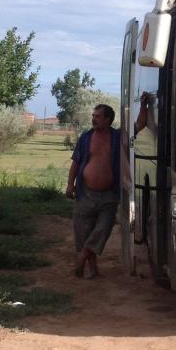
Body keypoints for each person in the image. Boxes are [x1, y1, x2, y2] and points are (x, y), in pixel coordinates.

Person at [66, 104, 120, 279]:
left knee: (103, 229)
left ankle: (82, 257)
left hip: (109, 195)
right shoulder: (86, 137)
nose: (94, 119)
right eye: (93, 116)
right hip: (85, 193)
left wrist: (143, 106)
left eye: (98, 116)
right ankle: (93, 269)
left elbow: (138, 127)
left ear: (108, 119)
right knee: (84, 233)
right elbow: (76, 162)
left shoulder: (117, 137)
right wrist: (70, 184)